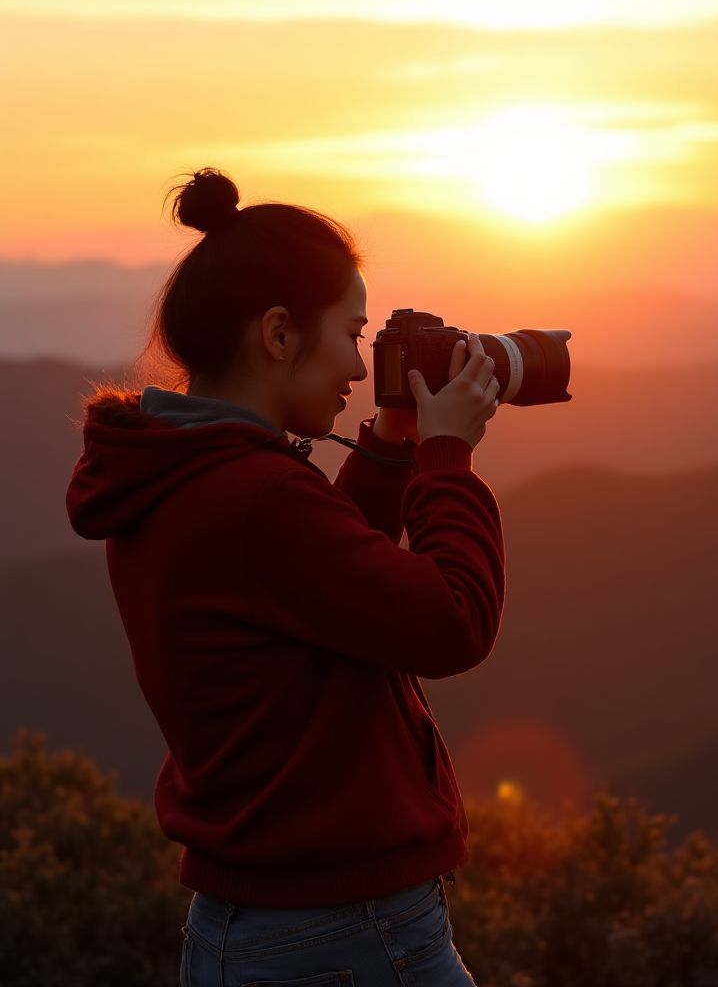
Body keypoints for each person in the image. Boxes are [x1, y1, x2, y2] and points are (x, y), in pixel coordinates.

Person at [65, 168, 504, 986]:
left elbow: (319, 590)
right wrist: (447, 459)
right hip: (346, 936)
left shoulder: (176, 474)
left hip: (256, 929)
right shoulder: (252, 495)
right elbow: (454, 620)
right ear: (277, 334)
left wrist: (388, 445)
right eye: (352, 332)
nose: (359, 363)